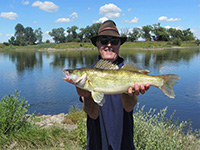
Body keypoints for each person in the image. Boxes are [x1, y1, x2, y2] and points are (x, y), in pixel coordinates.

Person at [63, 20, 150, 150]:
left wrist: (131, 92)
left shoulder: (128, 73)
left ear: (119, 44)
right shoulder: (88, 74)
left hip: (123, 145)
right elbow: (92, 114)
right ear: (97, 44)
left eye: (114, 41)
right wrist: (87, 96)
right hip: (96, 145)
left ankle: (160, 82)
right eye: (104, 41)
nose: (109, 45)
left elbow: (128, 107)